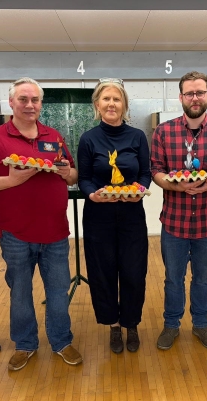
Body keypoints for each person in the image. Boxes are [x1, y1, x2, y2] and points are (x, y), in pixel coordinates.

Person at [0, 77, 82, 371]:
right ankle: (25, 344)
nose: (29, 105)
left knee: (58, 293)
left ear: (41, 104)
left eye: (35, 100)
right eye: (23, 99)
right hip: (15, 233)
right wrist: (11, 181)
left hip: (55, 232)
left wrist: (68, 173)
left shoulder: (53, 136)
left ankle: (61, 341)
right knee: (20, 293)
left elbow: (72, 175)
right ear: (11, 102)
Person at [151, 71, 207, 351]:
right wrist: (174, 185)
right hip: (174, 224)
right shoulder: (163, 132)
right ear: (180, 97)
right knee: (173, 280)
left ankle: (201, 324)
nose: (195, 98)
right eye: (189, 93)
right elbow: (156, 170)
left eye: (200, 92)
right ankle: (171, 325)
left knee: (203, 279)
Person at [77, 78, 151, 354]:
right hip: (99, 216)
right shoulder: (88, 139)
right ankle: (113, 325)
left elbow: (145, 174)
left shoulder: (137, 136)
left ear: (124, 105)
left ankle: (131, 323)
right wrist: (92, 194)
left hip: (132, 215)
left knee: (133, 272)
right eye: (106, 99)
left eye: (116, 99)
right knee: (103, 272)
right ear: (97, 105)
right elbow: (84, 179)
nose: (111, 104)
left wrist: (139, 191)